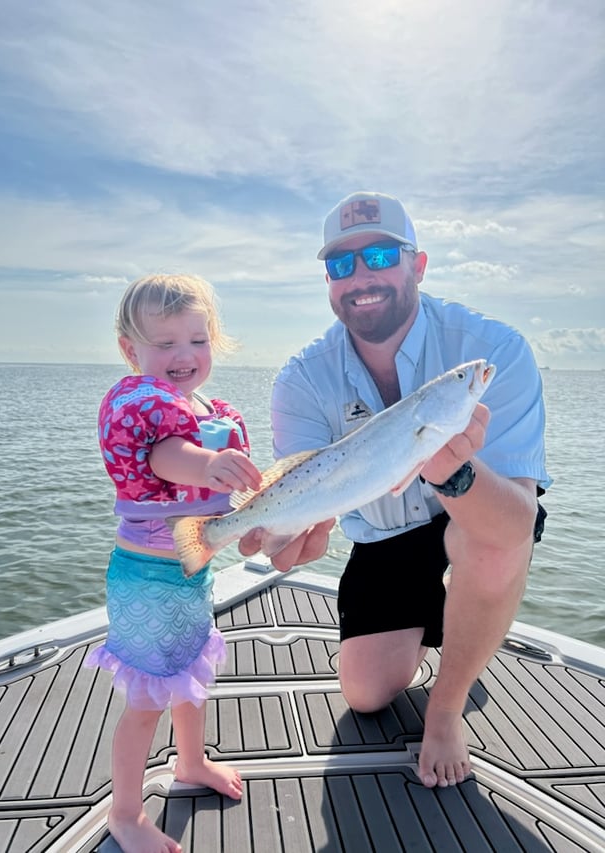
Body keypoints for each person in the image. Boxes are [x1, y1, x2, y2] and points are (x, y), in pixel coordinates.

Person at [240, 191, 550, 790]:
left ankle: (447, 704)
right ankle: (458, 618)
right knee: (366, 693)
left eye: (381, 255)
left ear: (419, 264)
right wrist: (282, 535)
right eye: (340, 265)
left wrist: (449, 469)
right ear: (328, 281)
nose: (360, 277)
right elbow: (298, 493)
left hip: (474, 509)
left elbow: (514, 525)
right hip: (383, 531)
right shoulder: (301, 379)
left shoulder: (495, 350)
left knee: (488, 546)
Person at [86, 274, 262, 853]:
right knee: (145, 704)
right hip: (147, 582)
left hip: (192, 575)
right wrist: (209, 465)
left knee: (191, 678)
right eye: (165, 344)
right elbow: (167, 459)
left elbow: (212, 489)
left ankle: (191, 761)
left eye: (197, 339)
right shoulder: (142, 406)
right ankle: (126, 815)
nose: (184, 356)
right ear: (129, 350)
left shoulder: (205, 409)